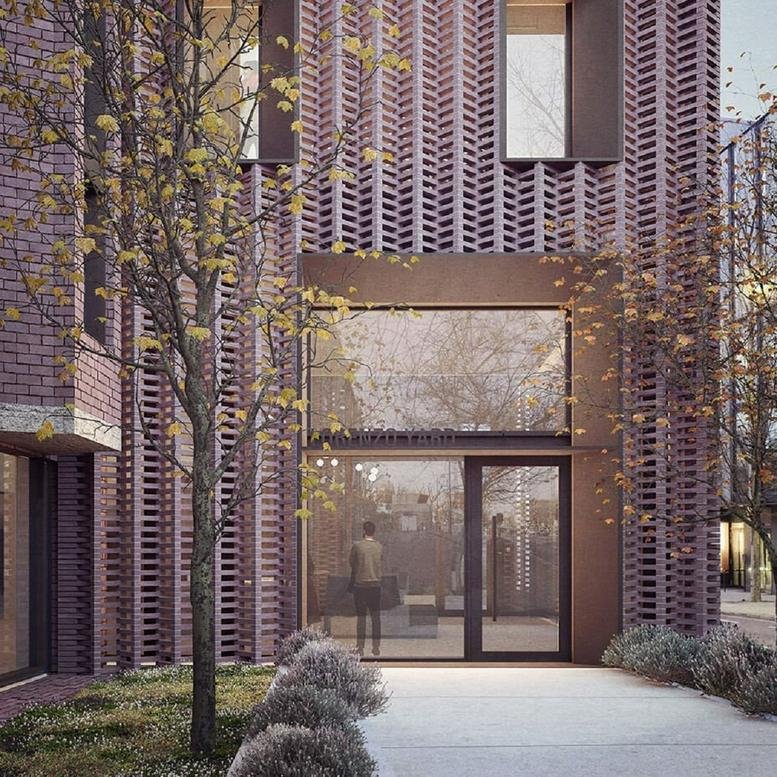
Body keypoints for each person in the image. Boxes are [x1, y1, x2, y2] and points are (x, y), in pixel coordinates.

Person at [348, 521, 383, 656]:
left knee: (361, 617)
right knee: (376, 617)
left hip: (360, 586)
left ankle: (360, 647)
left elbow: (352, 563)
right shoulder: (379, 546)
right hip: (375, 586)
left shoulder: (357, 546)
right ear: (374, 532)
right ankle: (376, 647)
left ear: (364, 531)